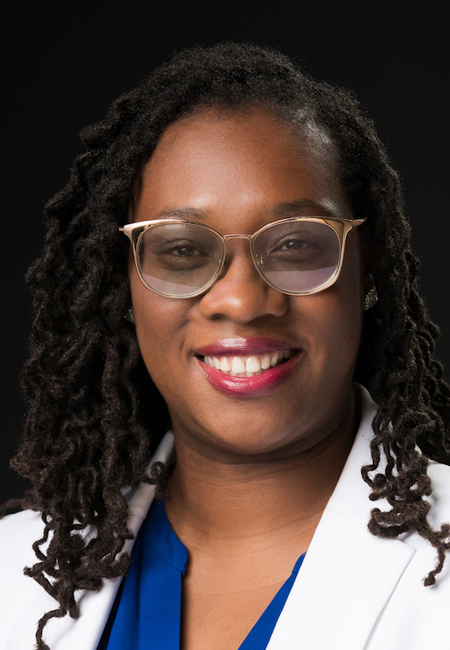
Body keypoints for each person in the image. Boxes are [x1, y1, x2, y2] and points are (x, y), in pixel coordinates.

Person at [1, 42, 450, 650]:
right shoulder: (13, 574)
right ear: (124, 283)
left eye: (295, 244)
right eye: (182, 249)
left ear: (364, 269)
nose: (241, 300)